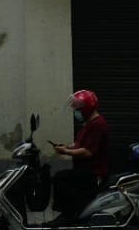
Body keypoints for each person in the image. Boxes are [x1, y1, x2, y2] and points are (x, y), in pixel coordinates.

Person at [50, 89, 109, 224]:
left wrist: (65, 152)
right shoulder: (89, 123)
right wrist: (66, 146)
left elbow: (87, 152)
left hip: (94, 173)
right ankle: (72, 213)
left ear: (86, 108)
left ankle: (68, 216)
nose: (75, 112)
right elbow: (79, 144)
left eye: (77, 109)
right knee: (63, 178)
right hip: (85, 170)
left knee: (60, 178)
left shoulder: (98, 124)